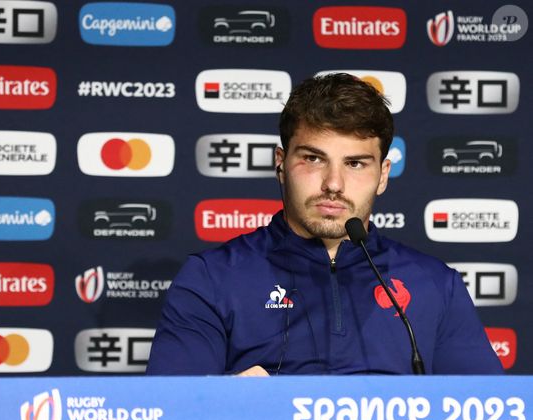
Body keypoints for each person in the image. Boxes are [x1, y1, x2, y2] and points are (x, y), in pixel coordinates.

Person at [146, 73, 503, 376]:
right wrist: (226, 402)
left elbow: (488, 415)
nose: (333, 183)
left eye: (356, 164)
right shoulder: (212, 278)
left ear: (383, 176)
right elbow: (168, 415)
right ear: (281, 164)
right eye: (314, 158)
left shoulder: (437, 286)